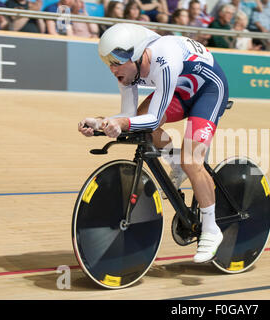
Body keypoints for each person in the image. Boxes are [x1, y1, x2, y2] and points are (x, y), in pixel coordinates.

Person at [77, 23, 228, 263]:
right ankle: (174, 162)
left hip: (208, 91)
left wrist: (124, 123)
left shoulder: (164, 58)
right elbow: (130, 116)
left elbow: (152, 118)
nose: (112, 69)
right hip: (180, 90)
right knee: (143, 124)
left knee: (192, 160)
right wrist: (99, 122)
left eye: (116, 62)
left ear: (136, 55)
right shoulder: (127, 71)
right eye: (109, 63)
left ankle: (211, 229)